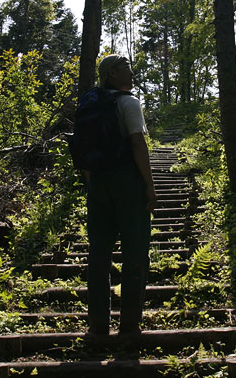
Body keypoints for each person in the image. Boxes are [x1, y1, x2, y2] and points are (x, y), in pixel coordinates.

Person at [84, 54, 157, 336]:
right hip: (127, 182)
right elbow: (138, 144)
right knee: (135, 249)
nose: (132, 73)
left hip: (98, 183)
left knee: (99, 253)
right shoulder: (129, 102)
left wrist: (93, 183)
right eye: (127, 69)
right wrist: (149, 184)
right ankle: (129, 322)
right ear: (112, 73)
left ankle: (98, 323)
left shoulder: (89, 105)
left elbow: (83, 152)